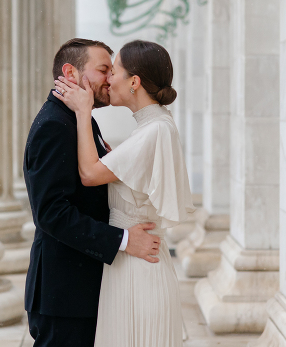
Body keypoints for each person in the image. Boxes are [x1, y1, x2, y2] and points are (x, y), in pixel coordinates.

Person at [53, 39, 195, 347]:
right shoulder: (152, 127)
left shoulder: (155, 129)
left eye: (112, 71)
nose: (107, 80)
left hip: (139, 268)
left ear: (134, 81)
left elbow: (89, 174)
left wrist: (82, 111)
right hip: (130, 263)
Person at [23, 38, 162, 347]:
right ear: (71, 73)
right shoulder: (54, 125)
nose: (109, 78)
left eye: (113, 70)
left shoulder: (80, 118)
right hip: (65, 294)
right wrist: (124, 240)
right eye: (103, 69)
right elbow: (51, 214)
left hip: (81, 287)